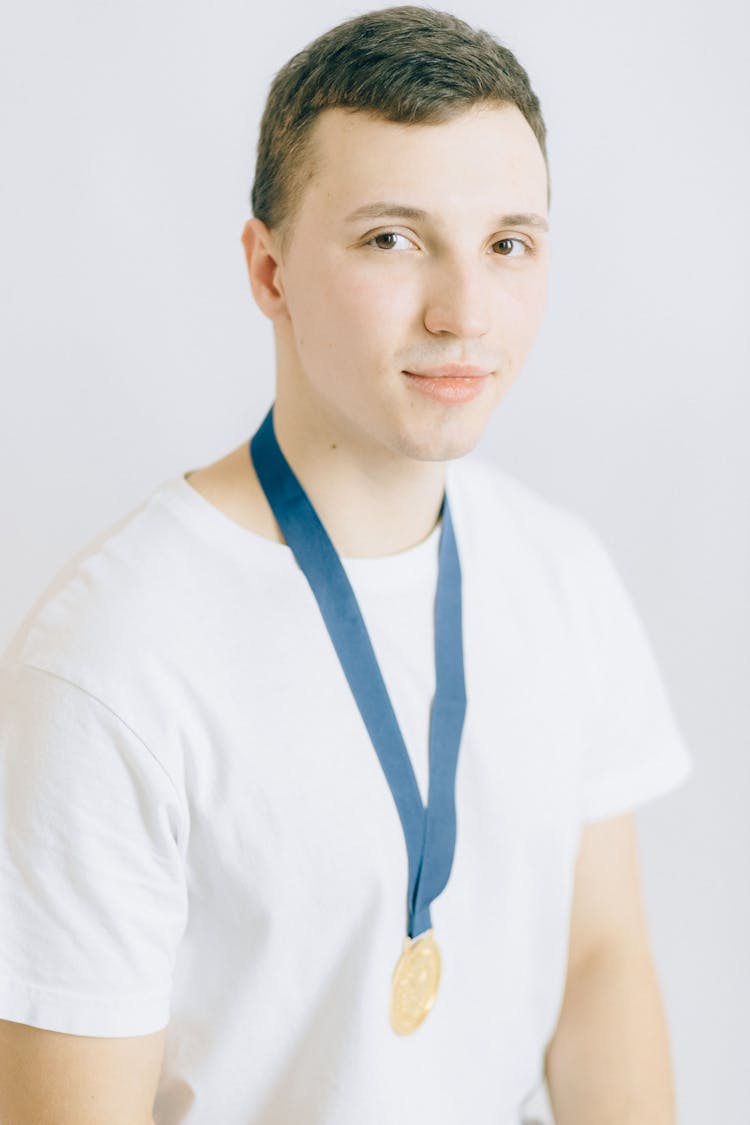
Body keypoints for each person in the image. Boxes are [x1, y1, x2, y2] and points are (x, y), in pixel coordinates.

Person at [0, 6, 693, 1123]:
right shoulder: (112, 661)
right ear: (267, 270)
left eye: (507, 242)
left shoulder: (563, 573)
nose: (465, 311)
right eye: (392, 238)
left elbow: (599, 959)